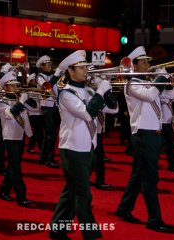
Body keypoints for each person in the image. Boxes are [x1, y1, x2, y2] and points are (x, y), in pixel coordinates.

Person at [49, 50, 115, 240]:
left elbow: (113, 108)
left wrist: (106, 89)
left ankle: (57, 229)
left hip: (87, 147)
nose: (87, 70)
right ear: (70, 70)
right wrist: (100, 91)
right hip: (73, 149)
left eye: (86, 66)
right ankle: (91, 235)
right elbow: (87, 114)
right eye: (82, 67)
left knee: (72, 190)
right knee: (83, 195)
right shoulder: (66, 94)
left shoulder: (87, 90)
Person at [115, 46, 173, 232]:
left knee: (139, 175)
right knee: (150, 177)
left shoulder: (149, 82)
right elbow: (149, 96)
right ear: (134, 65)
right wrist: (161, 79)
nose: (149, 64)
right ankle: (154, 219)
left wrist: (168, 82)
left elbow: (170, 95)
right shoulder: (132, 84)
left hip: (151, 134)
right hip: (143, 133)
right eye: (144, 62)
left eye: (148, 61)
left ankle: (124, 208)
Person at [0, 71, 33, 207]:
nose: (16, 87)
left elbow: (35, 108)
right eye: (12, 86)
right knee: (16, 167)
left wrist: (27, 100)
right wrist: (21, 102)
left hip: (20, 135)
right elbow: (10, 115)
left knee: (13, 165)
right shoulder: (1, 103)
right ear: (5, 87)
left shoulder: (18, 99)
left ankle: (3, 190)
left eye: (17, 85)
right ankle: (21, 196)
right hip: (10, 137)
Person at [35, 55, 62, 168]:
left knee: (50, 134)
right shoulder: (39, 76)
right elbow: (47, 86)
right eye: (47, 64)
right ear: (41, 66)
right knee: (51, 133)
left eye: (50, 64)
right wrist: (56, 76)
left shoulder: (52, 76)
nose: (50, 66)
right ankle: (49, 158)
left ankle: (43, 157)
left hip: (55, 105)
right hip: (47, 106)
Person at [158, 69, 174, 172]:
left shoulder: (167, 89)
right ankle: (171, 165)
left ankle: (172, 165)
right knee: (163, 145)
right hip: (161, 121)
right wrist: (170, 88)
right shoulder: (157, 89)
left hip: (167, 121)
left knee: (167, 145)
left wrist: (172, 86)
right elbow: (165, 97)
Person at [25, 73, 44, 154]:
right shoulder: (28, 91)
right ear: (31, 81)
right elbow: (29, 104)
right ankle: (40, 149)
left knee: (38, 132)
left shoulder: (38, 89)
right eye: (34, 80)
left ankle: (31, 146)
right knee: (38, 132)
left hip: (40, 114)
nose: (36, 81)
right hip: (34, 114)